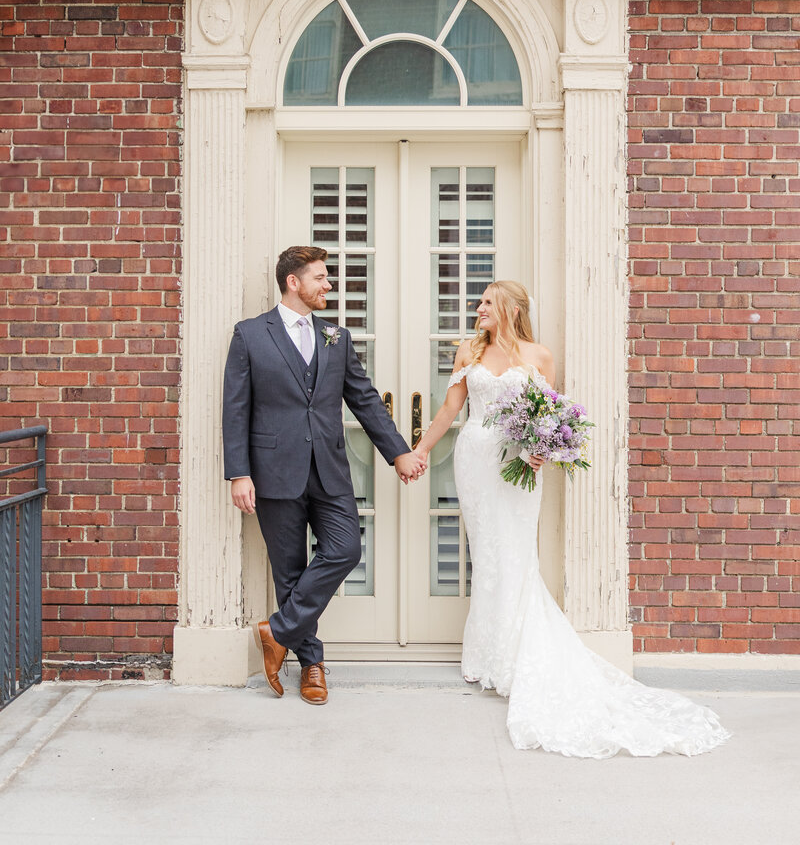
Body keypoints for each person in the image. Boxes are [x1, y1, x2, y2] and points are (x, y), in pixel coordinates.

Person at [412, 279, 730, 757]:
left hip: (516, 465)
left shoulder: (539, 357)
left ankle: (518, 655)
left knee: (516, 552)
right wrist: (418, 451)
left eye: (486, 304)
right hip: (475, 460)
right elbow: (448, 411)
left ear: (510, 310)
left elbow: (550, 417)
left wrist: (542, 451)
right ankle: (489, 656)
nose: (477, 309)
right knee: (487, 553)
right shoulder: (467, 352)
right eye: (478, 303)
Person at [223, 245, 424, 706]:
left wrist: (398, 453)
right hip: (273, 471)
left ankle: (276, 631)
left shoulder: (337, 337)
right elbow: (235, 409)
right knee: (289, 572)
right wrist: (239, 474)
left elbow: (365, 400)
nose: (328, 285)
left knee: (345, 549)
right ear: (293, 282)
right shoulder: (251, 335)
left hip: (329, 471)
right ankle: (311, 664)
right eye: (320, 277)